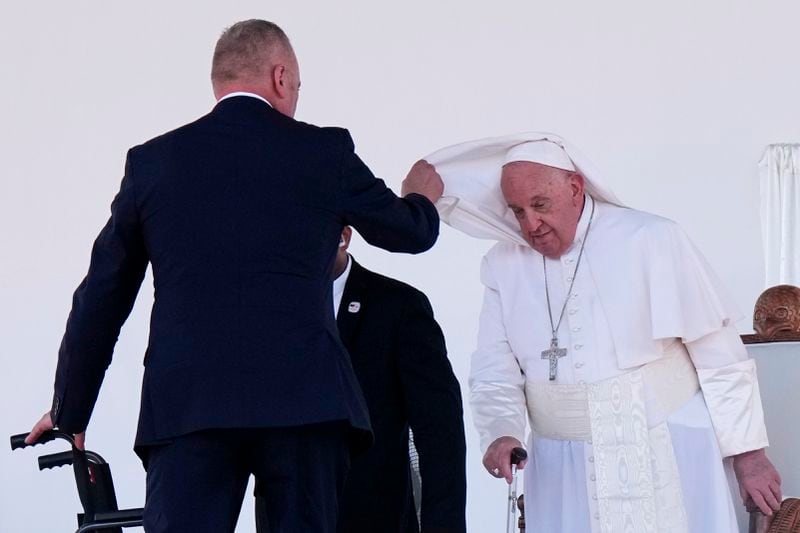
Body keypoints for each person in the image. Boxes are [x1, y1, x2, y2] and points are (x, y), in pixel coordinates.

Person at [25, 19, 444, 533]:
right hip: (304, 407)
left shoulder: (153, 164)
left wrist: (71, 408)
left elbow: (102, 295)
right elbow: (410, 234)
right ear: (281, 76)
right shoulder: (323, 152)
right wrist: (421, 195)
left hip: (188, 407)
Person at [424, 133, 782, 532]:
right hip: (565, 467)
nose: (530, 224)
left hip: (666, 445)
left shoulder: (652, 238)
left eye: (539, 205)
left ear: (575, 188)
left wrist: (750, 455)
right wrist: (501, 431)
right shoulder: (501, 266)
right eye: (518, 211)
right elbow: (494, 370)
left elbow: (719, 354)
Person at [255, 227, 467, 533]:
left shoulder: (399, 306)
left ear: (343, 235)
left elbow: (439, 431)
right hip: (285, 514)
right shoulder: (263, 310)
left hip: (375, 516)